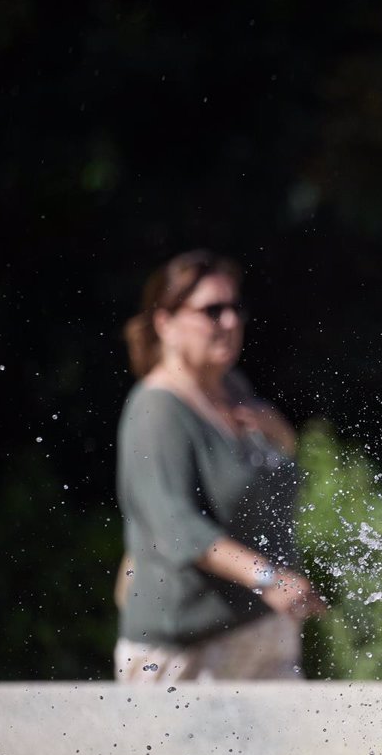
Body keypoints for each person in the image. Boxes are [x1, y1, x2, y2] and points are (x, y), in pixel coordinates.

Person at [114, 249, 325, 682]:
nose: (230, 321)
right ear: (165, 323)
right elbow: (176, 527)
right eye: (212, 310)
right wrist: (268, 578)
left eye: (235, 308)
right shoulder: (155, 410)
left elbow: (274, 486)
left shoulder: (233, 389)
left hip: (262, 634)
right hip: (182, 649)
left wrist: (283, 437)